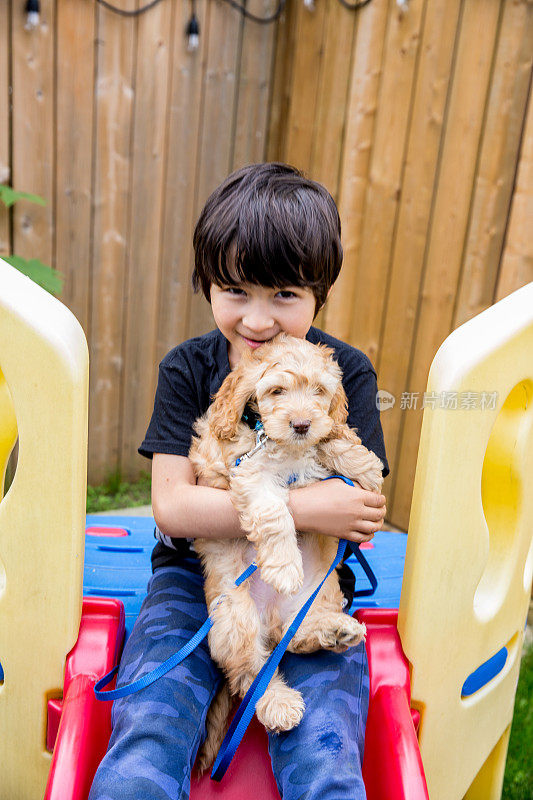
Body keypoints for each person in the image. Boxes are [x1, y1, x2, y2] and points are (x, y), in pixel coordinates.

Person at [89, 162, 389, 800]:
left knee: (330, 740)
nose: (257, 321)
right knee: (152, 718)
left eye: (284, 296)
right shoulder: (186, 369)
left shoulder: (344, 373)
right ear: (206, 285)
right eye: (236, 292)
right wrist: (304, 506)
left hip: (309, 582)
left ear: (319, 296)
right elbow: (172, 507)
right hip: (188, 578)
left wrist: (315, 515)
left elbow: (361, 509)